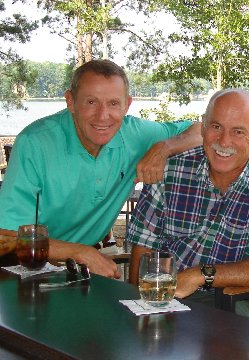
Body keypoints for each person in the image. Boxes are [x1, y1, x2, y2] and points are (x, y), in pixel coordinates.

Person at [0, 59, 202, 278]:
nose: (103, 115)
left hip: (78, 269)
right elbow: (8, 236)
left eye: (114, 103)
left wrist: (164, 148)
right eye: (91, 102)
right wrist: (80, 253)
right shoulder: (35, 142)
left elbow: (202, 129)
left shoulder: (137, 134)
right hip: (20, 265)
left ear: (127, 105)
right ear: (70, 102)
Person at [127, 88, 249, 320]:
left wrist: (201, 275)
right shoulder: (170, 171)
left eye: (238, 131)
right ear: (204, 127)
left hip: (231, 299)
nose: (224, 141)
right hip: (165, 293)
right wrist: (138, 304)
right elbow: (143, 246)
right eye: (216, 127)